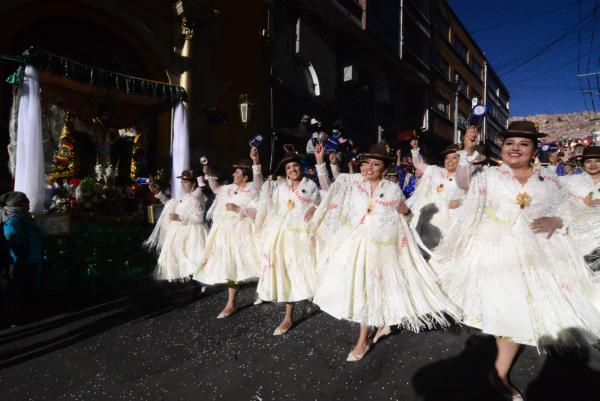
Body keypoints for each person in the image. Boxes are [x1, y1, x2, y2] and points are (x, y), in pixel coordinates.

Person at [432, 121, 600, 400]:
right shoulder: (490, 176)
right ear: (503, 147)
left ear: (534, 149)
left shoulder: (549, 180)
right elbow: (462, 183)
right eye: (510, 143)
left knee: (522, 315)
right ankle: (499, 373)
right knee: (509, 314)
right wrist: (467, 151)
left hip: (536, 255)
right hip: (496, 253)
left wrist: (556, 219)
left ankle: (498, 372)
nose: (515, 149)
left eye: (523, 144)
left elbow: (568, 210)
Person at [311, 144, 458, 362]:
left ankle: (362, 341)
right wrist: (321, 162)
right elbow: (327, 186)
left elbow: (403, 220)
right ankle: (379, 326)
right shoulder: (352, 184)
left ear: (384, 168)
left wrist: (406, 212)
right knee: (359, 290)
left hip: (381, 251)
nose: (369, 167)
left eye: (376, 164)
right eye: (366, 163)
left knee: (370, 291)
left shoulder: (392, 190)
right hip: (355, 248)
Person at [253, 147, 320, 335]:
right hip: (283, 235)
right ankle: (288, 316)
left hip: (303, 235)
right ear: (286, 171)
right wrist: (256, 163)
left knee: (304, 270)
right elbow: (265, 197)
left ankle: (308, 295)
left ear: (301, 168)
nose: (292, 170)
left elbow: (320, 202)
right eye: (289, 167)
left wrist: (314, 207)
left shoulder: (311, 186)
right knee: (287, 271)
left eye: (295, 166)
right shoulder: (280, 188)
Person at [193, 156, 261, 318]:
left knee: (254, 263)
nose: (233, 175)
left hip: (245, 232)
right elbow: (216, 189)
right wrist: (209, 174)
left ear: (245, 177)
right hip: (226, 232)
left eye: (237, 173)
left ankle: (263, 290)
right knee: (232, 264)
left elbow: (257, 211)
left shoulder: (253, 189)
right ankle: (230, 303)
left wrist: (238, 209)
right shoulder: (229, 188)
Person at [144, 170, 208, 281]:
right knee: (180, 260)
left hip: (192, 232)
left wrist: (179, 218)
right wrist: (158, 193)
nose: (182, 184)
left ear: (193, 184)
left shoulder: (197, 197)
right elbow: (170, 204)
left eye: (185, 182)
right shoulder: (182, 198)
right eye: (181, 182)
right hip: (179, 231)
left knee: (193, 259)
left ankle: (196, 287)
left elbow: (199, 218)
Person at [407, 135, 469, 250]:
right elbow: (418, 164)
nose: (450, 161)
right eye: (447, 158)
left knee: (443, 250)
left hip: (451, 218)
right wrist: (415, 149)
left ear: (460, 160)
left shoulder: (464, 176)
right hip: (431, 216)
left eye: (454, 158)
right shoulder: (435, 171)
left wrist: (461, 201)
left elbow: (474, 195)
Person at [0, 192, 43, 326]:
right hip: (20, 261)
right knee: (17, 290)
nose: (29, 204)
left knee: (26, 288)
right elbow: (11, 238)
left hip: (29, 259)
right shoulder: (14, 219)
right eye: (26, 202)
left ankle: (25, 314)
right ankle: (15, 318)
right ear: (18, 204)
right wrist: (21, 252)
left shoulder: (23, 217)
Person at [558, 145, 600, 273]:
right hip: (580, 237)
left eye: (597, 161)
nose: (593, 165)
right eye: (588, 161)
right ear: (582, 164)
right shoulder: (571, 182)